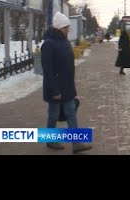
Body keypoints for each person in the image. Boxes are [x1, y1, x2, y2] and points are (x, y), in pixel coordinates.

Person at [41, 11, 92, 154]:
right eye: (66, 27)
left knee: (71, 113)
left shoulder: (64, 42)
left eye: (68, 27)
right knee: (53, 115)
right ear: (58, 28)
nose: (68, 30)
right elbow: (48, 71)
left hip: (68, 87)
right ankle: (50, 140)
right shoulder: (48, 45)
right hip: (56, 89)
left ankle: (76, 143)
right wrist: (54, 91)